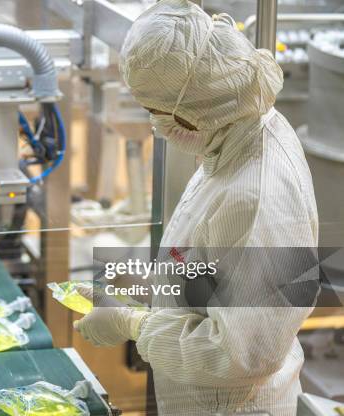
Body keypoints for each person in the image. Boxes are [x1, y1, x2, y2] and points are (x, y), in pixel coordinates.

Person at [73, 1, 319, 415]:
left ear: (194, 108)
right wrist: (154, 288)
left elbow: (240, 356)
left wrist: (133, 324)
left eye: (156, 112)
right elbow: (219, 268)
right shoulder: (236, 130)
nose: (155, 124)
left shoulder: (254, 194)